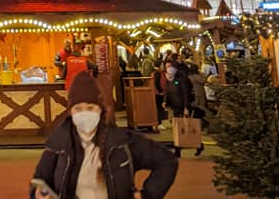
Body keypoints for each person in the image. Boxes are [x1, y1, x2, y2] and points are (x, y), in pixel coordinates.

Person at [31, 71, 177, 199]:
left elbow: (167, 160)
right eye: (78, 108)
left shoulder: (121, 142)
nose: (84, 113)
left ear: (100, 110)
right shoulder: (59, 143)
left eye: (90, 107)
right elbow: (39, 180)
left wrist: (147, 195)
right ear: (71, 112)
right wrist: (39, 194)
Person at [163, 59, 195, 157]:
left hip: (181, 106)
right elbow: (167, 91)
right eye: (167, 67)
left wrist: (186, 107)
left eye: (170, 66)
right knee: (178, 129)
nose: (168, 69)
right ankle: (179, 149)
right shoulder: (169, 79)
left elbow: (186, 94)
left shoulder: (181, 79)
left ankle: (179, 150)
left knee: (182, 128)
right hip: (174, 106)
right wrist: (165, 100)